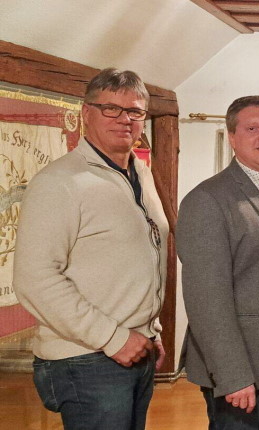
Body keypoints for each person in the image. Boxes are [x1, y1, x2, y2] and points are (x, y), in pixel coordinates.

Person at [13, 68, 169, 430]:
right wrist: (113, 338)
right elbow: (35, 279)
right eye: (111, 109)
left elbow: (139, 259)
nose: (124, 119)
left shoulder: (141, 174)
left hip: (135, 348)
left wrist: (149, 330)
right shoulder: (59, 182)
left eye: (135, 111)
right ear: (86, 113)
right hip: (87, 359)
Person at [177, 95, 259, 429]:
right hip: (239, 367)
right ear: (232, 137)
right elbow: (206, 299)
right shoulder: (207, 199)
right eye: (252, 128)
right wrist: (233, 375)